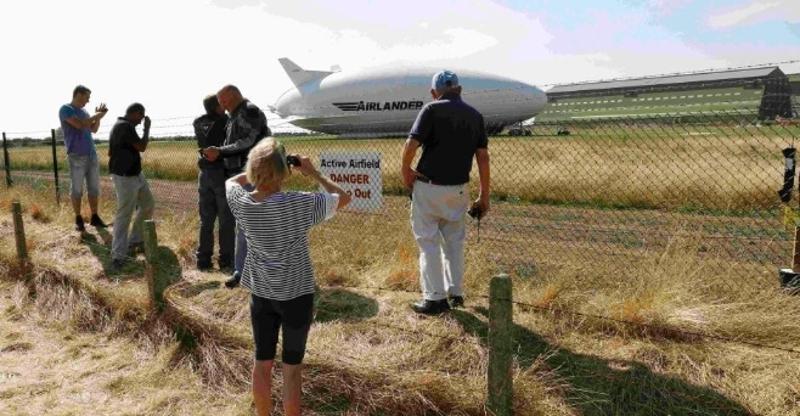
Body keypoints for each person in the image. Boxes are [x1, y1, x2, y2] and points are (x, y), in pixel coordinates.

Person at [225, 138, 351, 416]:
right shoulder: (299, 204)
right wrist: (313, 172)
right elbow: (343, 198)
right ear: (285, 171)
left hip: (261, 295)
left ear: (254, 169)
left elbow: (231, 183)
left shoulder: (242, 204)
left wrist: (257, 169)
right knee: (292, 370)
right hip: (297, 296)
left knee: (262, 363)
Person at [400, 70, 491, 315]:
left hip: (429, 188)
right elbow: (482, 157)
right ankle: (456, 292)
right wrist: (484, 195)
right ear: (459, 89)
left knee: (428, 242)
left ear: (434, 92)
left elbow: (411, 144)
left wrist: (406, 170)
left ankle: (434, 298)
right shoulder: (475, 116)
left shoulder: (431, 110)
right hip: (459, 189)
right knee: (454, 243)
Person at [203, 84, 270, 288]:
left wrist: (220, 151)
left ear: (233, 95)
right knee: (245, 226)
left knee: (252, 227)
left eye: (223, 100)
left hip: (253, 175)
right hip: (241, 176)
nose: (220, 105)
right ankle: (244, 272)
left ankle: (247, 273)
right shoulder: (234, 115)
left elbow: (249, 142)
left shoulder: (249, 112)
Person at [108, 103, 155, 270]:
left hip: (135, 174)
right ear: (135, 113)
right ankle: (118, 256)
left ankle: (135, 240)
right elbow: (142, 147)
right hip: (125, 176)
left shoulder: (121, 125)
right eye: (141, 117)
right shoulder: (125, 126)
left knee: (148, 204)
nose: (142, 121)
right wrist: (147, 129)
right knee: (124, 214)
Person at [59, 85, 109, 231]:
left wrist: (98, 117)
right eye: (87, 97)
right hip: (76, 155)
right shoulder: (66, 109)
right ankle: (78, 218)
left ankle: (95, 217)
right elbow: (80, 125)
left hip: (91, 154)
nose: (88, 101)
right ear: (78, 94)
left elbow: (93, 129)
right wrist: (98, 115)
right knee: (77, 189)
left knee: (94, 188)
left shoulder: (85, 111)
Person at [193, 95, 234, 271]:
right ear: (216, 107)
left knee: (206, 219)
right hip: (222, 173)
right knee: (226, 220)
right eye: (222, 103)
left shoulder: (198, 122)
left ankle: (203, 259)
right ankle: (225, 260)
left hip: (204, 173)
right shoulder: (226, 121)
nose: (225, 106)